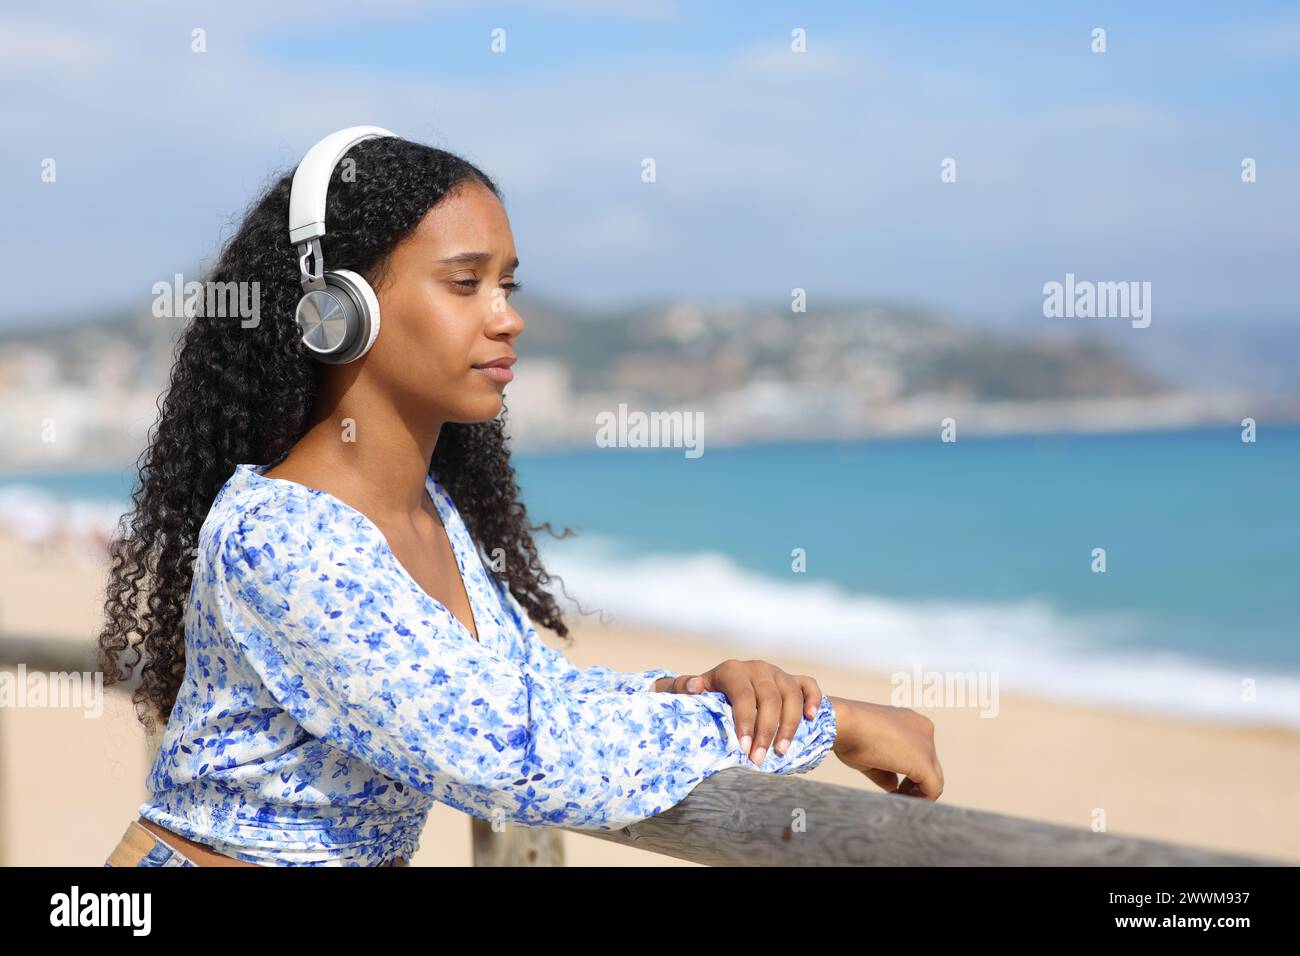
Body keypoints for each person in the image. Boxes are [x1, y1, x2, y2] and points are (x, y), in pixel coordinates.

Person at [96, 128, 943, 867]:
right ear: (336, 311)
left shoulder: (428, 514)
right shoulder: (282, 536)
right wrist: (830, 725)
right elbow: (513, 755)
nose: (507, 318)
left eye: (509, 285)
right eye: (465, 284)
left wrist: (703, 695)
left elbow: (523, 695)